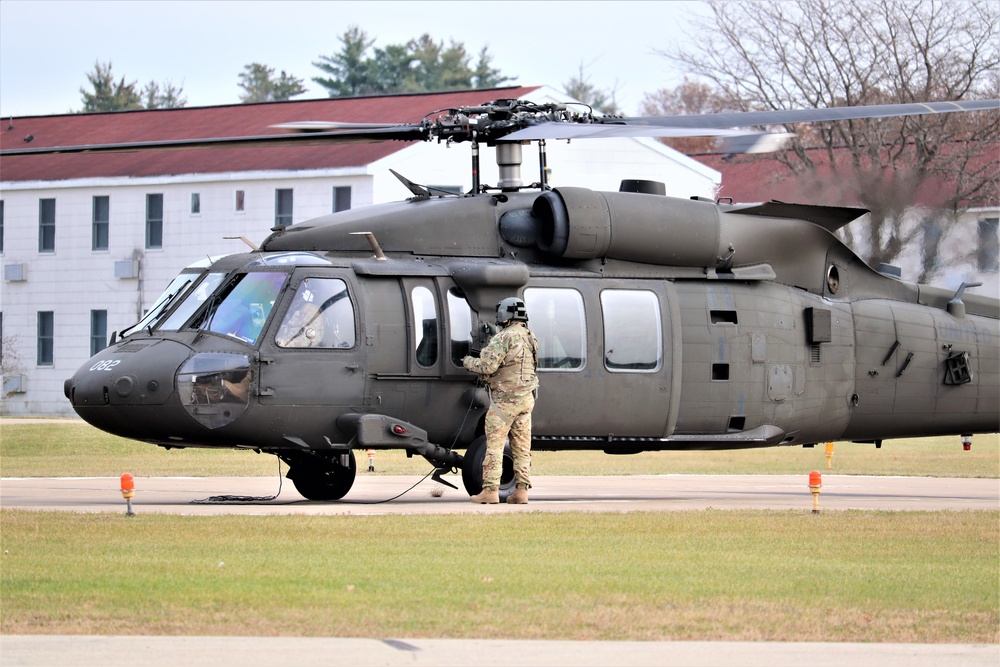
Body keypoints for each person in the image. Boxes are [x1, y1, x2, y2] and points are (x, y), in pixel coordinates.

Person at [462, 296, 539, 505]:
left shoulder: (504, 338)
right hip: (526, 400)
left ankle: (490, 490)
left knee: (494, 446)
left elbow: (487, 367)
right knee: (522, 448)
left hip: (504, 402)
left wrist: (468, 361)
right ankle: (521, 491)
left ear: (505, 314)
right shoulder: (530, 337)